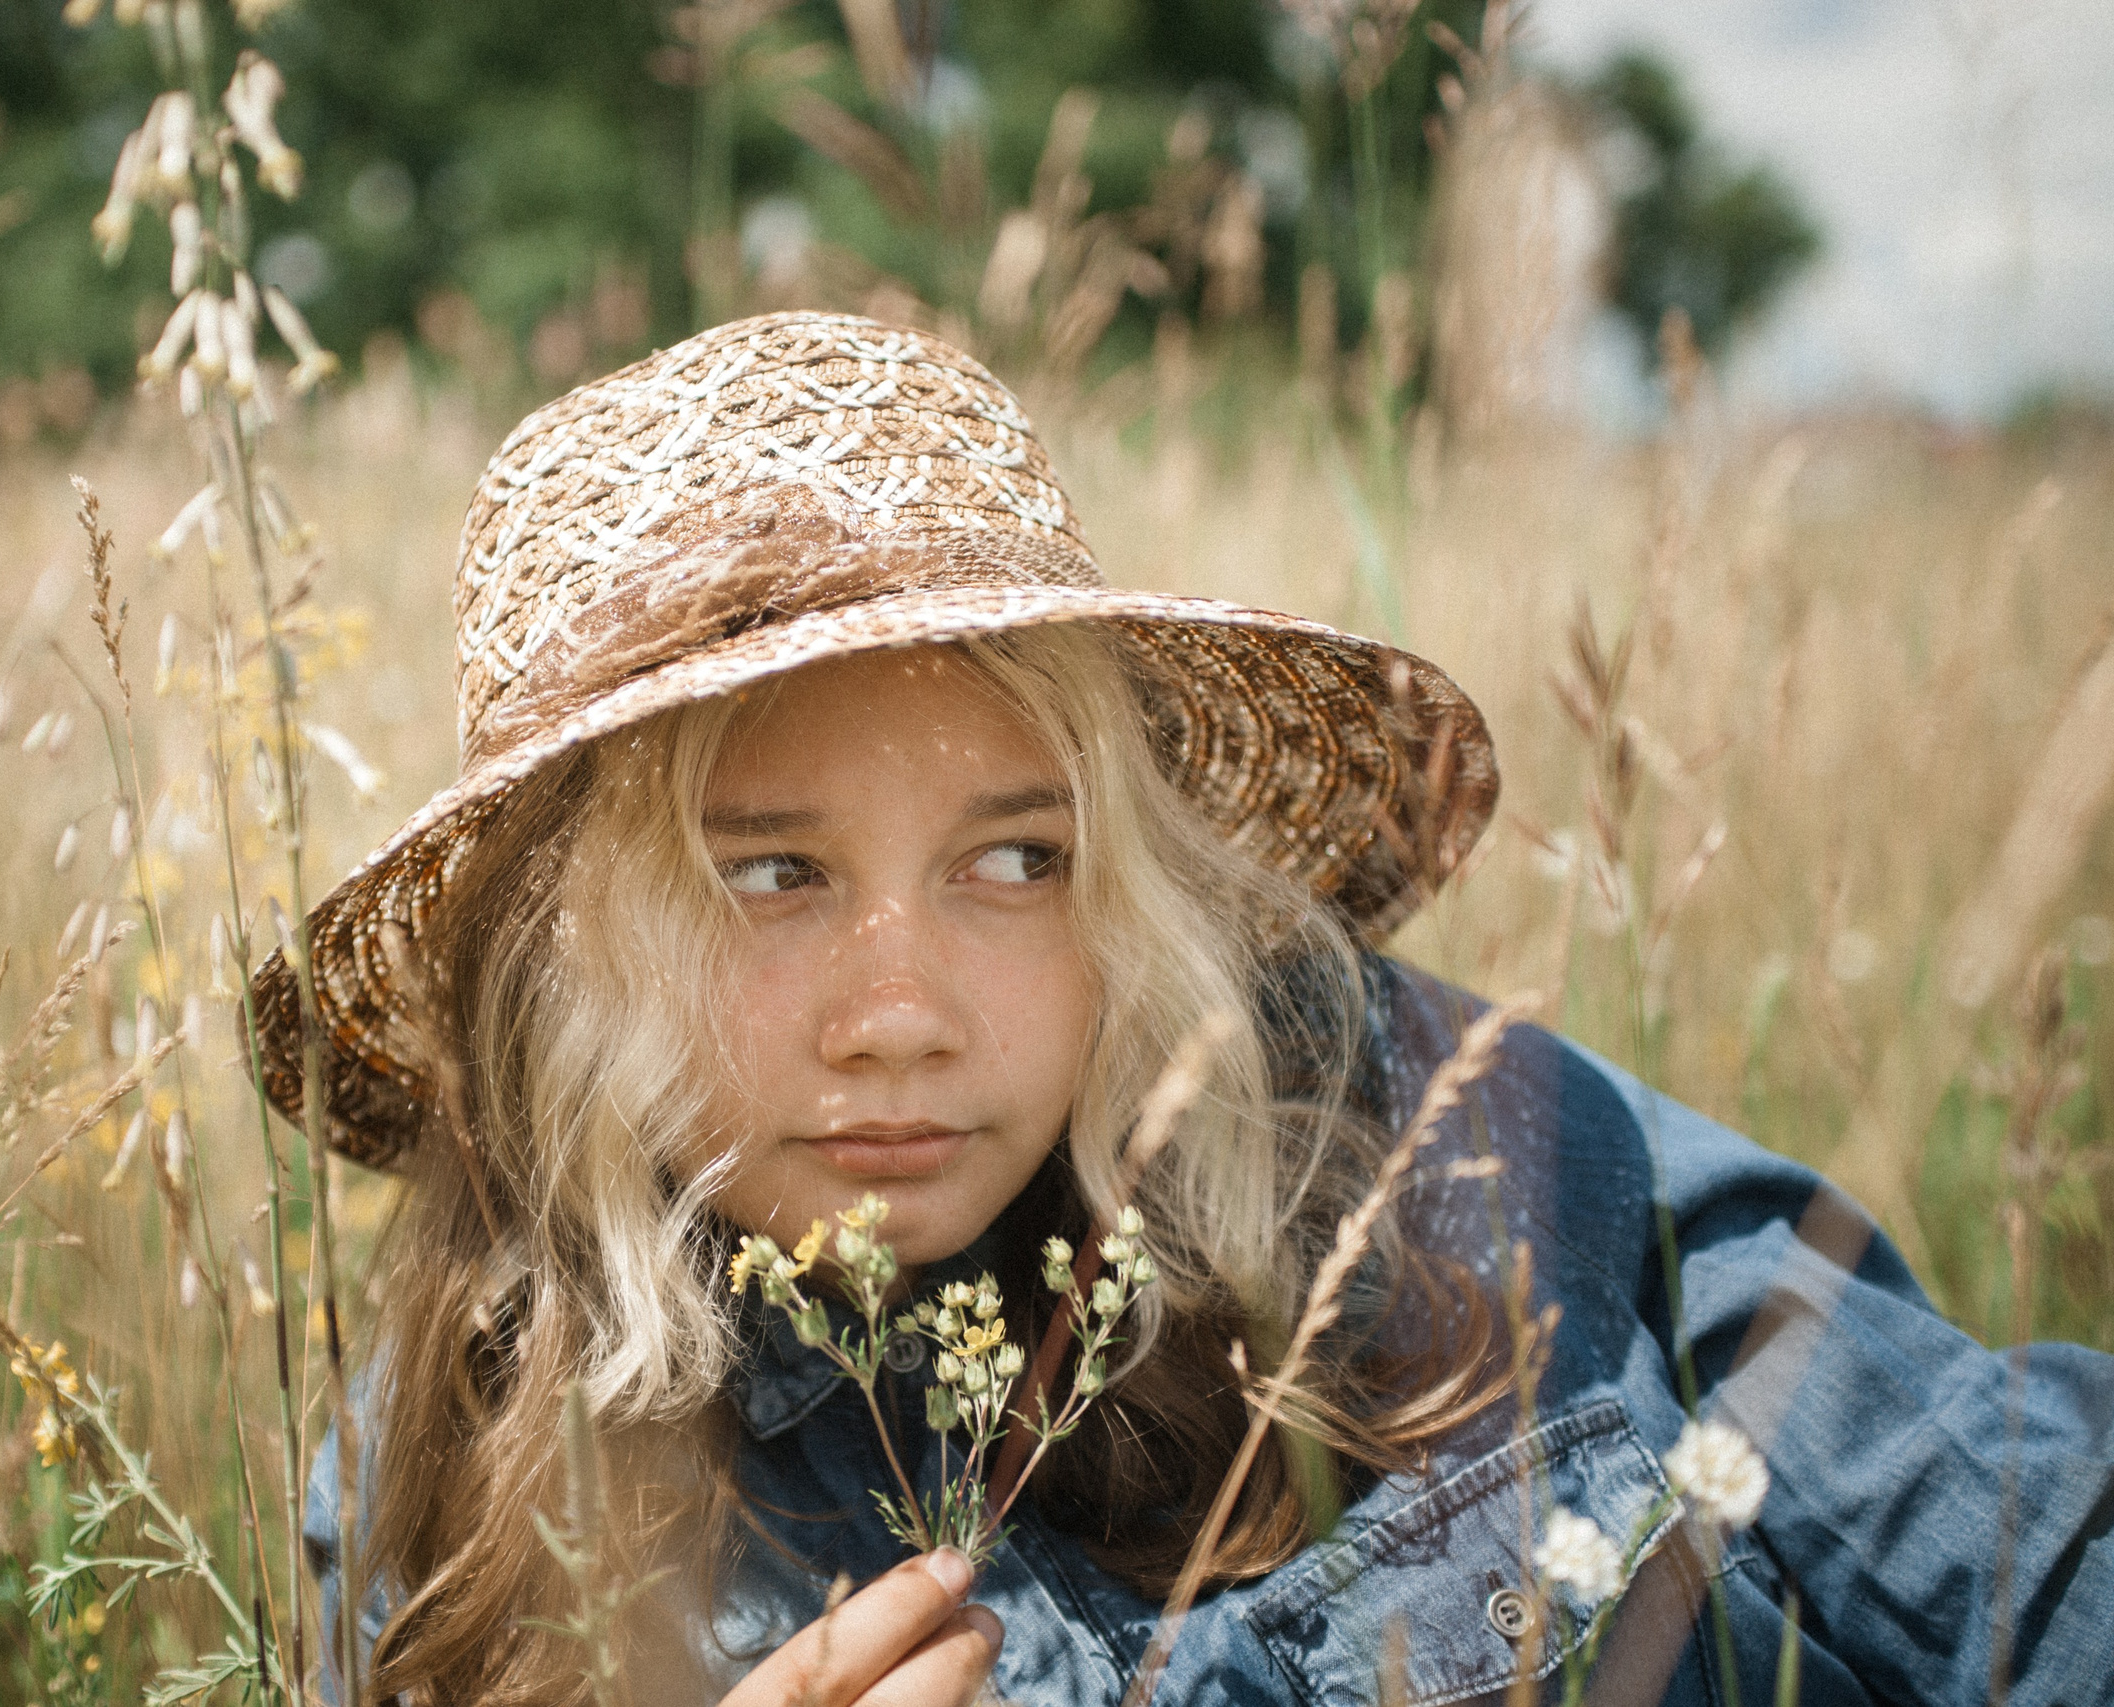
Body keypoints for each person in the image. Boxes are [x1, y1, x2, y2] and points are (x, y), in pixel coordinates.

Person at [256, 312, 2114, 1706]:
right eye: (770, 876)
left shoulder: (1431, 1137)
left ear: (1132, 891)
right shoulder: (472, 1478)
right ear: (570, 963)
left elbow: (2025, 1553)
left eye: (1017, 862)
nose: (899, 1017)